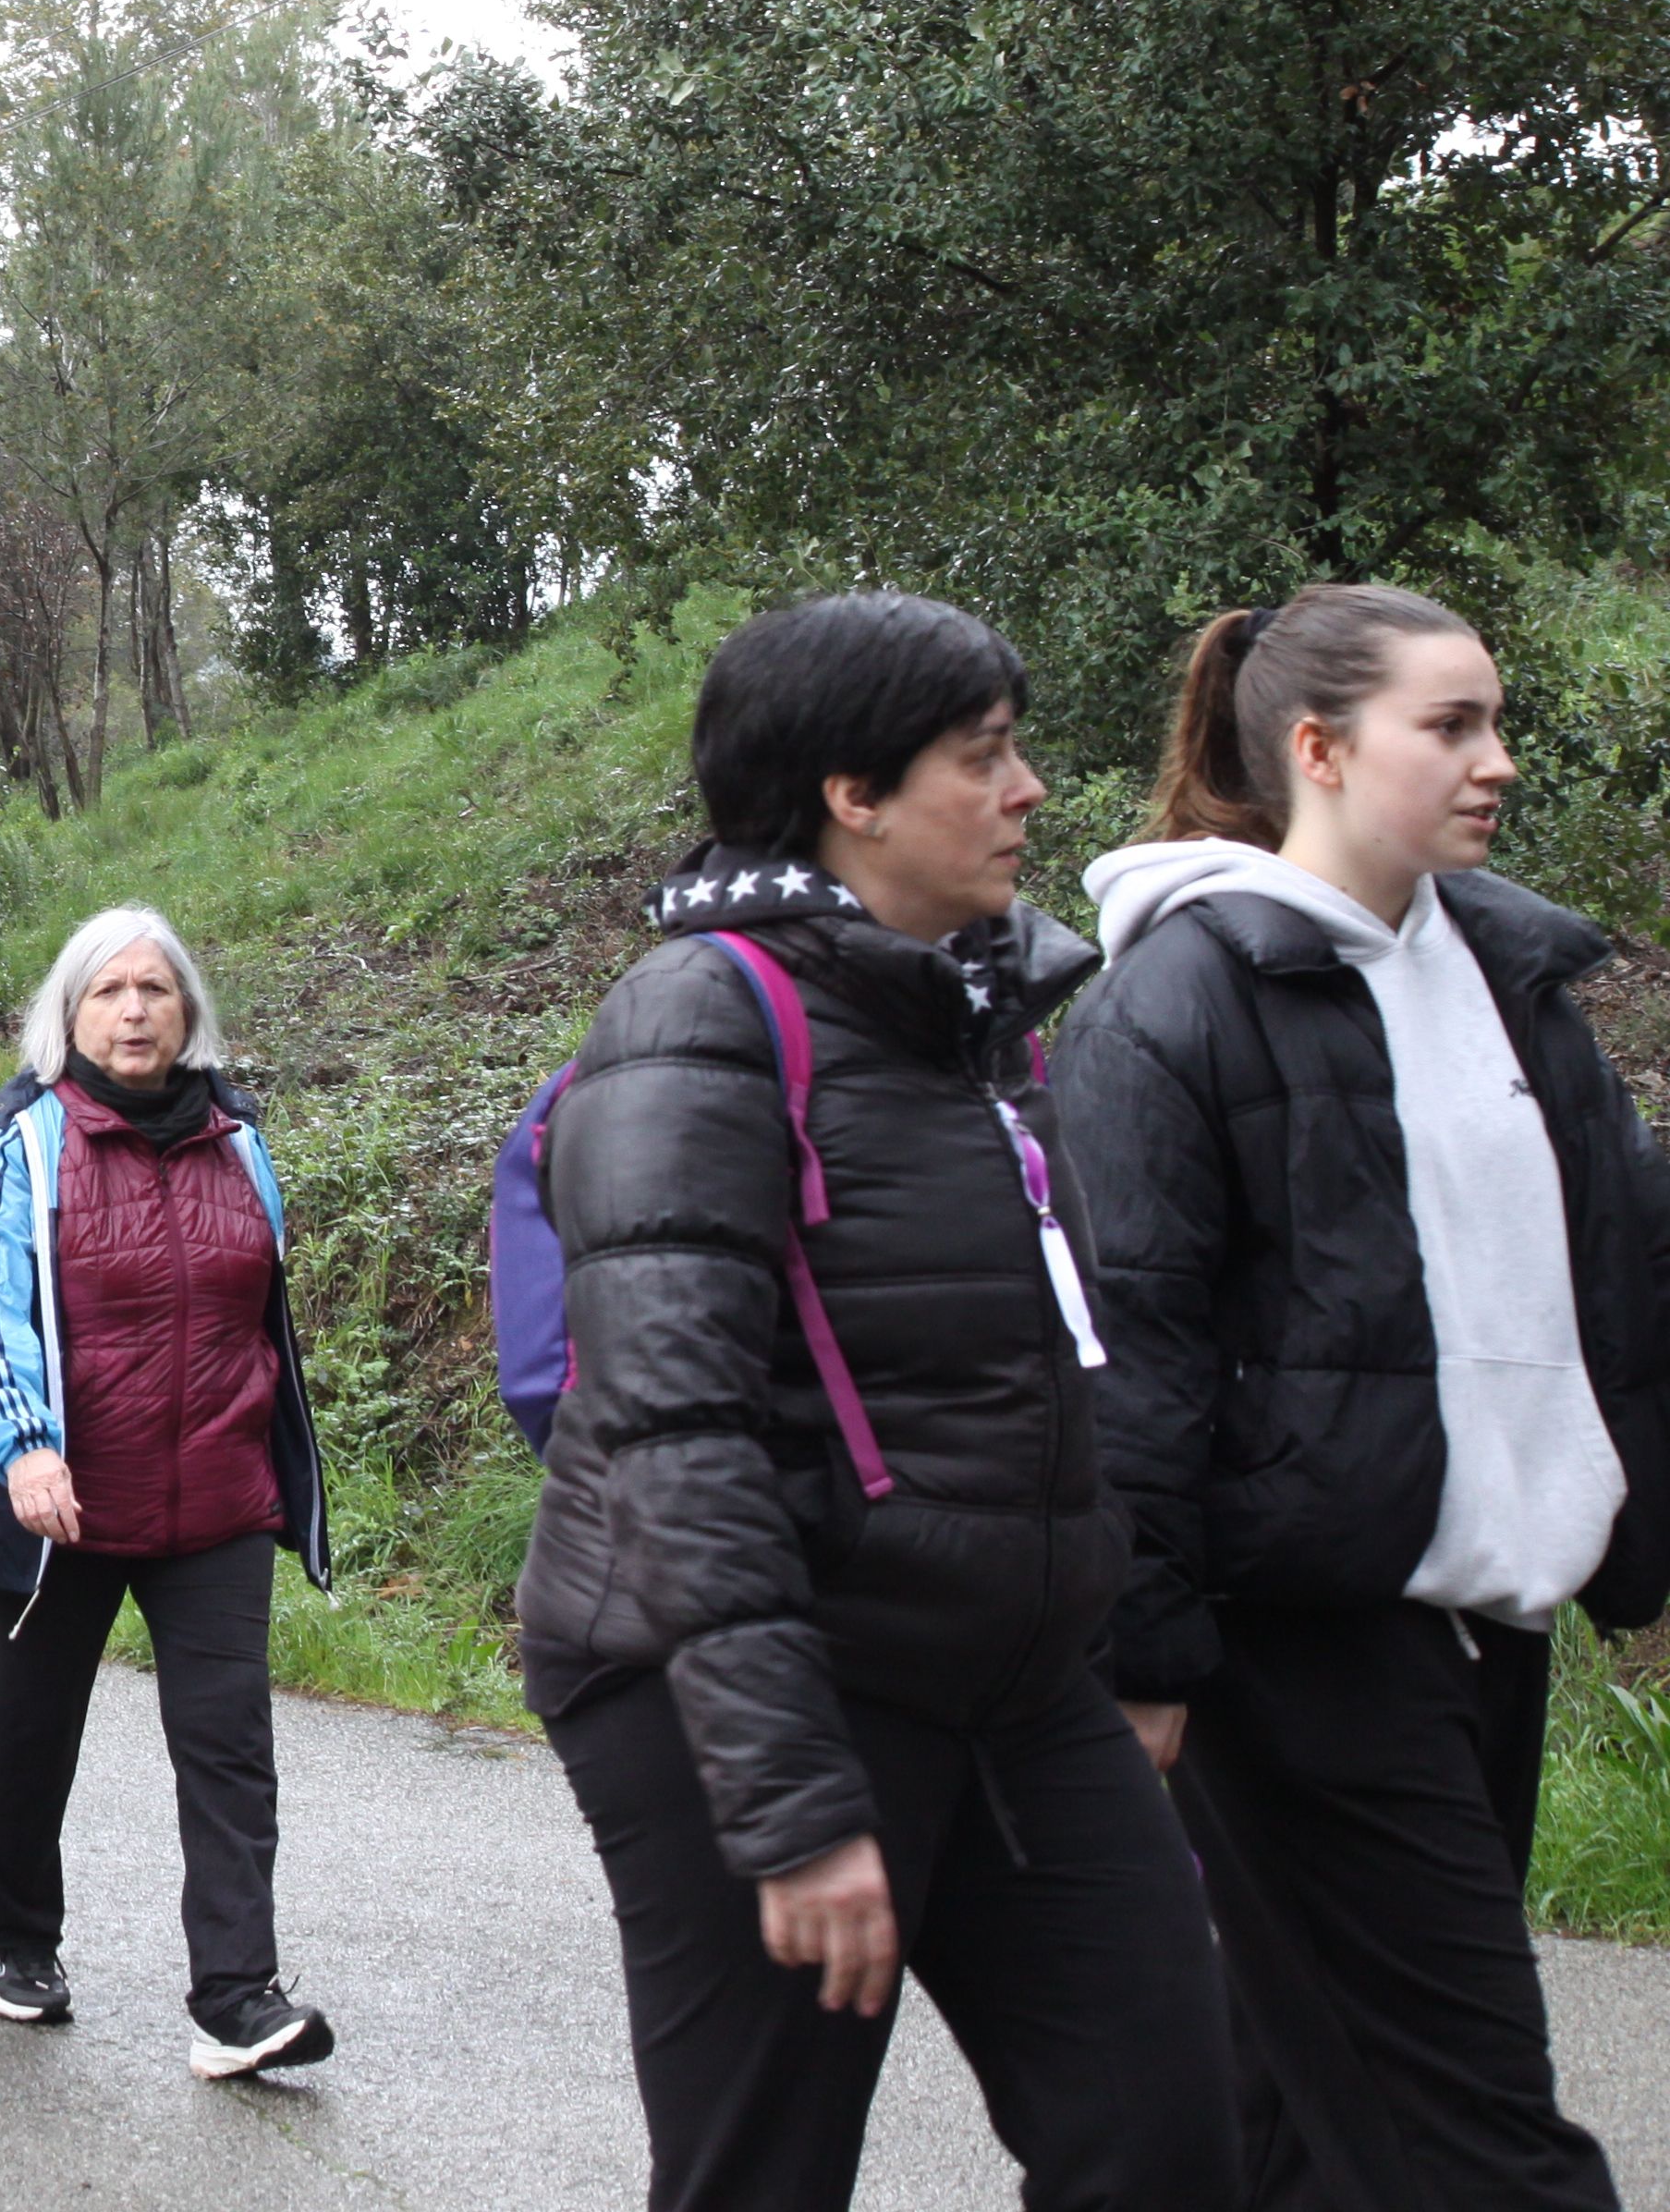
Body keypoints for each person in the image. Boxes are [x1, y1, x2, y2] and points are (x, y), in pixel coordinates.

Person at [524, 592, 1232, 2212]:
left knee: (1168, 2135)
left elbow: (1060, 1359)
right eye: (983, 756)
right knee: (763, 2173)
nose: (1028, 788)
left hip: (1008, 1674)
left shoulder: (975, 1023)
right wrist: (785, 1798)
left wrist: (1116, 1634)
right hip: (749, 1677)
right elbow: (671, 1429)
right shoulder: (702, 1015)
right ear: (853, 793)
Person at [1063, 585, 1670, 2211]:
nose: (1498, 760)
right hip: (1305, 1641)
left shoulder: (1512, 979)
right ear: (1319, 750)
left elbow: (1622, 1275)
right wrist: (1144, 1648)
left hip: (1490, 1621)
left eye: (1495, 721)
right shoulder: (1176, 999)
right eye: (1450, 724)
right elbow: (1132, 1345)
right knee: (1475, 2133)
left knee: (1299, 2116)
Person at [0, 903, 336, 2079]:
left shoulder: (238, 1140)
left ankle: (237, 1996)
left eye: (155, 990)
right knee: (30, 1734)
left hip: (217, 1498)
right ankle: (18, 1936)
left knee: (230, 1749)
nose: (134, 1011)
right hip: (63, 1505)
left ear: (187, 1011)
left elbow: (263, 1314)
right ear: (70, 1016)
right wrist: (23, 1447)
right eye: (109, 991)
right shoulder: (25, 1142)